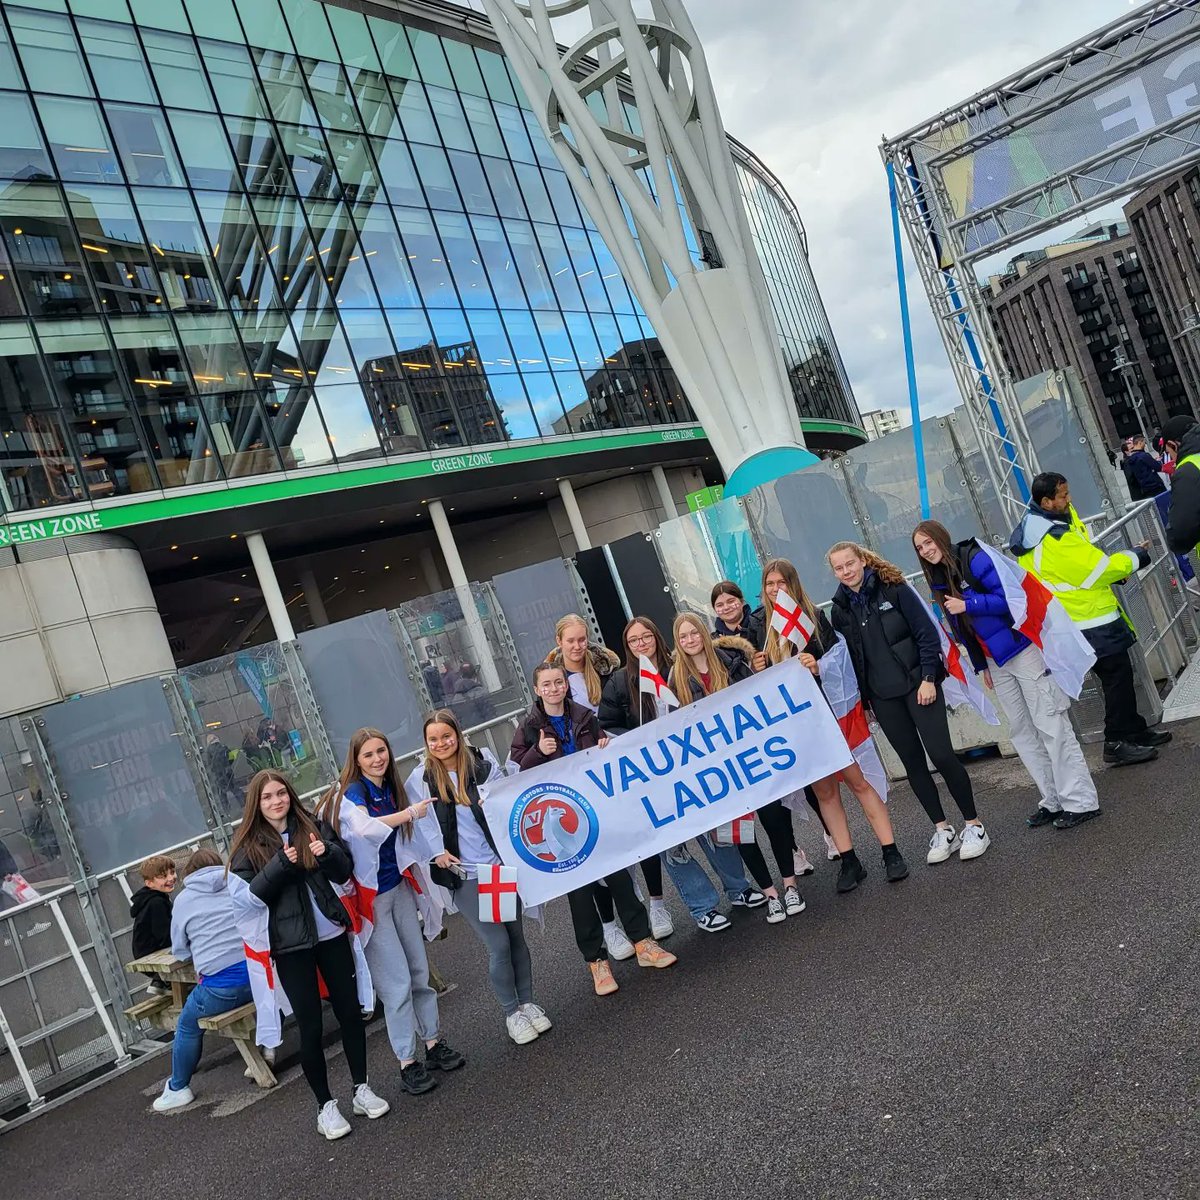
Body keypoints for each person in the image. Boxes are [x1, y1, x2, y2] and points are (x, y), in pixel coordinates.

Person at [230, 769, 389, 1140]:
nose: (276, 802)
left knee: (351, 1013)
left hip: (331, 933)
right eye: (267, 797)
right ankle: (325, 1105)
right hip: (290, 947)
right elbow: (250, 898)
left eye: (281, 794)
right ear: (257, 803)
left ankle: (361, 1088)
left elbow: (344, 867)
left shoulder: (311, 824)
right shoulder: (247, 846)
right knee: (311, 1026)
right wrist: (280, 865)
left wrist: (327, 852)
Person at [913, 520, 1101, 830]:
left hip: (1022, 649)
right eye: (920, 548)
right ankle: (1052, 799)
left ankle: (1080, 801)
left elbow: (1012, 599)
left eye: (928, 542)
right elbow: (962, 627)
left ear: (941, 538)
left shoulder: (975, 557)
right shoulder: (937, 577)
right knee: (1022, 730)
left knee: (1050, 723)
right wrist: (980, 664)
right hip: (994, 660)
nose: (926, 550)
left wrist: (969, 603)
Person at [510, 663, 676, 993]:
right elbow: (514, 773)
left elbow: (602, 749)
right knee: (580, 893)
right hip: (559, 819)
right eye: (547, 684)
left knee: (619, 878)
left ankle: (643, 943)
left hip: (595, 813)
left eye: (559, 682)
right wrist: (536, 753)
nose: (554, 688)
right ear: (537, 689)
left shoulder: (584, 715)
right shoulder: (529, 727)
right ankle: (597, 962)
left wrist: (603, 746)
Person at [316, 728, 465, 1096]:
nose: (377, 759)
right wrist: (408, 813)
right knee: (395, 982)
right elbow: (366, 829)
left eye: (381, 751)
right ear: (356, 760)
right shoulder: (352, 794)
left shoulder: (390, 788)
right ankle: (406, 1061)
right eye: (368, 755)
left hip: (397, 888)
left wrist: (436, 854)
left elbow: (416, 833)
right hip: (369, 902)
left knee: (418, 969)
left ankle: (432, 1043)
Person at [828, 541, 991, 864]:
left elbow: (926, 635)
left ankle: (974, 825)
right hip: (882, 698)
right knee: (913, 764)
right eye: (839, 567)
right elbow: (850, 659)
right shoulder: (839, 610)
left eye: (850, 563)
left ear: (862, 560)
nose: (846, 571)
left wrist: (929, 677)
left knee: (942, 755)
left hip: (920, 686)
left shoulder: (895, 589)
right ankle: (942, 829)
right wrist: (865, 700)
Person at [598, 615, 764, 933]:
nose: (641, 644)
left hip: (692, 766)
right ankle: (703, 906)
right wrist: (630, 741)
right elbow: (607, 723)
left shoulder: (679, 667)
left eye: (646, 637)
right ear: (627, 646)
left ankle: (739, 888)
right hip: (653, 776)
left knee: (716, 828)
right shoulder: (620, 682)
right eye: (633, 640)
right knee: (674, 844)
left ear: (657, 638)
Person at [752, 560, 908, 891]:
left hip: (828, 715)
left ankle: (890, 850)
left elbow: (838, 659)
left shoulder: (813, 616)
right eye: (769, 584)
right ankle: (849, 860)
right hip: (796, 726)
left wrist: (817, 664)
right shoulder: (759, 627)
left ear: (792, 584)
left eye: (781, 582)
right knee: (824, 791)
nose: (775, 589)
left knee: (858, 782)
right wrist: (758, 666)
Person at [406, 710, 550, 1046]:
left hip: (495, 866)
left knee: (515, 936)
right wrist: (436, 853)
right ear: (426, 744)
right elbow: (420, 824)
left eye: (447, 736)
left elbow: (505, 796)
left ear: (458, 734)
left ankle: (528, 1003)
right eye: (434, 739)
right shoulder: (422, 778)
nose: (442, 744)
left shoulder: (481, 761)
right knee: (497, 943)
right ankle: (512, 1012)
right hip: (464, 875)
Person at [1010, 472, 1171, 766]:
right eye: (1063, 496)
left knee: (1120, 674)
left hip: (1086, 615)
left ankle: (1132, 731)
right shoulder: (1054, 537)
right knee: (1116, 677)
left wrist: (1113, 572)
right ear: (1046, 502)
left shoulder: (1047, 524)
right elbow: (1097, 570)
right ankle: (1117, 741)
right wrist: (1136, 557)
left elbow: (1085, 566)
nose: (1069, 499)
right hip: (1086, 618)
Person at [549, 613, 672, 942]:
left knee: (641, 834)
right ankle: (609, 926)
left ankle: (657, 904)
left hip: (616, 762)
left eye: (582, 639)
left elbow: (619, 711)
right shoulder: (552, 679)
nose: (577, 645)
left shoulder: (606, 672)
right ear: (559, 642)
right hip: (579, 773)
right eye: (570, 640)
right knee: (599, 849)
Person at [670, 613, 798, 922]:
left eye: (693, 633)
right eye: (683, 636)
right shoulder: (675, 680)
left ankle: (790, 886)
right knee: (742, 833)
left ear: (703, 632)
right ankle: (770, 894)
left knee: (775, 820)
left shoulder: (732, 660)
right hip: (720, 771)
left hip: (752, 757)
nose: (690, 640)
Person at [713, 579, 830, 871]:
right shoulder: (713, 640)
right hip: (751, 723)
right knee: (776, 793)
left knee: (809, 778)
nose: (727, 607)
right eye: (720, 604)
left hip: (781, 711)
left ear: (741, 600)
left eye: (731, 600)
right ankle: (792, 851)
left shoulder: (762, 622)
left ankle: (830, 833)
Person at [152, 849, 254, 1112]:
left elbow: (181, 950)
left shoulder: (184, 900)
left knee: (186, 1023)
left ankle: (178, 1087)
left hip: (222, 989)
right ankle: (268, 1048)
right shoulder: (236, 883)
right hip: (261, 978)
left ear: (189, 872)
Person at [131, 854, 175, 996]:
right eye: (163, 876)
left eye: (172, 872)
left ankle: (161, 981)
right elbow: (164, 934)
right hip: (150, 952)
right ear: (149, 883)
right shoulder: (156, 903)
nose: (170, 878)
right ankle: (163, 980)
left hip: (144, 950)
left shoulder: (155, 899)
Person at [1164, 414, 1200, 561]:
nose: (1172, 459)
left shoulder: (1189, 469)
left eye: (1169, 452)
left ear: (1174, 445)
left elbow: (1180, 534)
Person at [1120, 434, 1167, 502]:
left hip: (1145, 489)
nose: (1144, 444)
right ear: (1140, 443)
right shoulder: (1144, 456)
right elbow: (1158, 467)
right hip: (1156, 486)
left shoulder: (1130, 460)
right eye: (1144, 442)